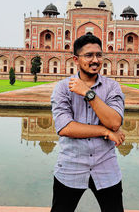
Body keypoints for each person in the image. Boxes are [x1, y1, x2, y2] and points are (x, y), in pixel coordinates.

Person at [50, 33, 125, 212]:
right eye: (89, 55)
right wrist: (104, 131)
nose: (95, 60)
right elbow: (66, 128)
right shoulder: (62, 88)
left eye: (99, 55)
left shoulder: (112, 87)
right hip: (71, 165)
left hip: (105, 166)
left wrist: (88, 93)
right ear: (76, 59)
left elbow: (114, 123)